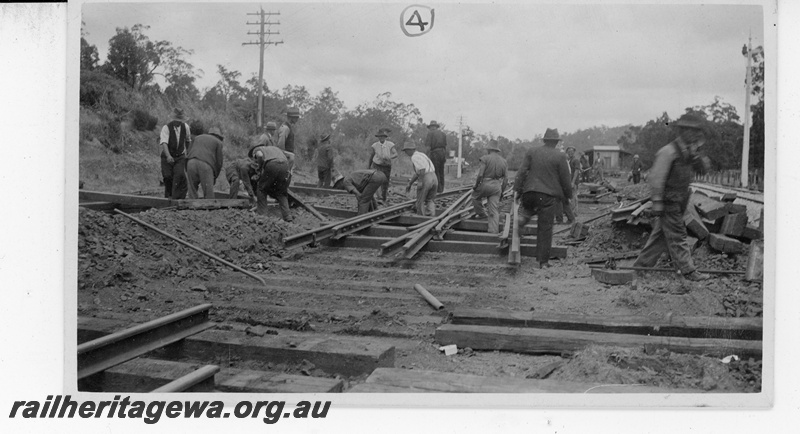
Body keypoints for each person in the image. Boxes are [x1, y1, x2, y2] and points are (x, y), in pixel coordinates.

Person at [632, 113, 712, 282]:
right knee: (678, 235)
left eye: (697, 131)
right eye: (692, 131)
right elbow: (656, 179)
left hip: (679, 202)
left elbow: (704, 170)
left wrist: (697, 157)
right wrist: (658, 203)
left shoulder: (689, 151)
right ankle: (689, 271)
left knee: (659, 238)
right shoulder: (668, 152)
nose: (696, 135)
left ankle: (640, 268)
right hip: (669, 202)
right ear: (683, 131)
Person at [514, 128, 573, 269]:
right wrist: (568, 197)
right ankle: (543, 262)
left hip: (529, 192)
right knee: (545, 228)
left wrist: (517, 190)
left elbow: (522, 171)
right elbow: (565, 179)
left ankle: (524, 217)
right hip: (547, 196)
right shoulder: (560, 156)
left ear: (545, 140)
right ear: (556, 142)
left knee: (528, 207)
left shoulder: (532, 151)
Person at [471, 140, 508, 234]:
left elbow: (480, 174)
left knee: (475, 196)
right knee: (494, 210)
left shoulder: (485, 158)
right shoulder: (504, 161)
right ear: (497, 150)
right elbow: (506, 179)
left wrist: (476, 185)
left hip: (485, 183)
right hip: (496, 186)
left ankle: (482, 214)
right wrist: (502, 192)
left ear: (489, 149)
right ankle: (493, 231)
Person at [249, 143, 292, 222]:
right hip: (285, 165)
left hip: (272, 164)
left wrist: (260, 167)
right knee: (281, 192)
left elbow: (260, 155)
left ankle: (262, 216)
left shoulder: (258, 149)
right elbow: (291, 157)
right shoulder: (275, 148)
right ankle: (287, 216)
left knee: (261, 188)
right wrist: (289, 170)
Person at [159, 108, 192, 199]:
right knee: (167, 176)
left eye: (180, 121)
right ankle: (168, 197)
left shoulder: (186, 127)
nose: (178, 123)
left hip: (180, 156)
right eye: (176, 121)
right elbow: (164, 143)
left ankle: (177, 198)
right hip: (167, 155)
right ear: (173, 120)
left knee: (179, 175)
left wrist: (188, 153)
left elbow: (188, 141)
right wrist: (168, 156)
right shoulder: (166, 128)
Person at [186, 127, 224, 199]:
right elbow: (219, 163)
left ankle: (191, 205)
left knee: (192, 188)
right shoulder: (218, 142)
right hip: (205, 164)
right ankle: (209, 207)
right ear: (218, 136)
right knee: (208, 191)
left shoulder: (197, 137)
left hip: (190, 162)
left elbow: (188, 151)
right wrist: (215, 176)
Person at [402, 143, 438, 216]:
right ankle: (431, 217)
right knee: (430, 200)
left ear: (410, 150)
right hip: (434, 177)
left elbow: (422, 169)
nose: (405, 153)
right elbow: (418, 173)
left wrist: (420, 182)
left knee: (420, 201)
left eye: (406, 151)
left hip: (426, 178)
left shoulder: (414, 157)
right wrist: (410, 183)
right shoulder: (422, 155)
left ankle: (421, 218)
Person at [368, 128, 398, 202]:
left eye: (382, 136)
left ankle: (384, 197)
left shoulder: (390, 144)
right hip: (377, 164)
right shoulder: (375, 145)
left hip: (386, 165)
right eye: (379, 136)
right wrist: (369, 165)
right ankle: (377, 198)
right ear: (378, 137)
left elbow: (395, 154)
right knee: (375, 180)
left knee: (385, 182)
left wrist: (390, 157)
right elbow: (372, 155)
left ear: (385, 137)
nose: (381, 138)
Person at [423, 120, 448, 193]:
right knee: (441, 171)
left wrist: (426, 156)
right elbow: (445, 147)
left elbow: (428, 147)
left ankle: (437, 189)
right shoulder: (443, 134)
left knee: (435, 170)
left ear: (432, 127)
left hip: (435, 153)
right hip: (442, 153)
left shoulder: (430, 134)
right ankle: (441, 189)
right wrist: (444, 156)